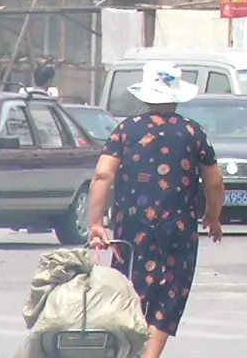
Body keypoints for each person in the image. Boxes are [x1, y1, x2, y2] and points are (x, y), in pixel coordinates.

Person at [88, 61, 224, 358]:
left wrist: (96, 222)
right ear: (176, 96)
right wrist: (213, 217)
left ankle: (128, 352)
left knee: (131, 290)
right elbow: (214, 182)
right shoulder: (192, 132)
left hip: (131, 228)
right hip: (179, 228)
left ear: (145, 96)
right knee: (171, 292)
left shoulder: (125, 130)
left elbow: (103, 175)